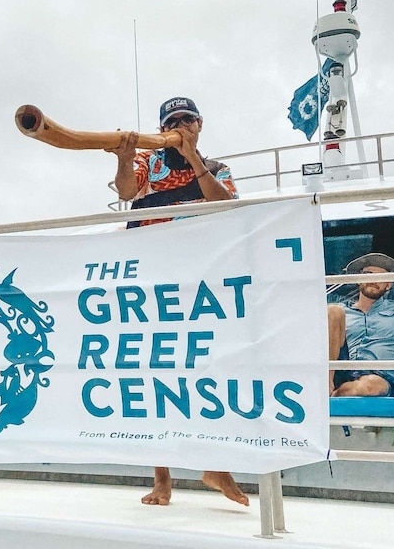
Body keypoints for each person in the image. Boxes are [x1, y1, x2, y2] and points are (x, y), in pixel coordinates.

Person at [110, 96, 247, 507]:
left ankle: (215, 466)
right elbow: (127, 190)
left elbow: (225, 204)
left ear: (200, 124)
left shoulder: (218, 169)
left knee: (210, 369)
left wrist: (195, 160)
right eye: (173, 121)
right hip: (151, 280)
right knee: (154, 373)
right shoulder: (149, 163)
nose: (181, 125)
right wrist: (124, 155)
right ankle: (162, 480)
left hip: (202, 281)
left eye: (187, 119)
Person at [328, 253, 394, 396]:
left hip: (380, 378)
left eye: (381, 277)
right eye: (367, 274)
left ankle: (332, 396)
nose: (373, 279)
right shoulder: (341, 311)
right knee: (332, 311)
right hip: (340, 372)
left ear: (388, 285)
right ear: (358, 280)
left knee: (370, 385)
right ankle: (327, 385)